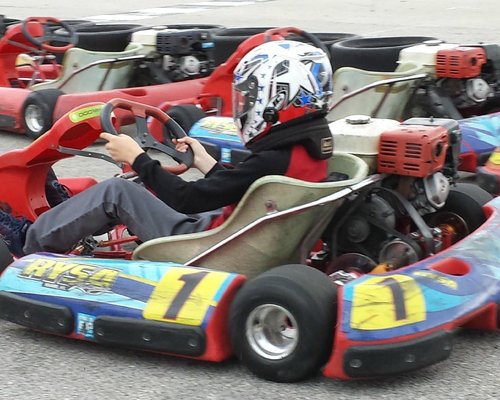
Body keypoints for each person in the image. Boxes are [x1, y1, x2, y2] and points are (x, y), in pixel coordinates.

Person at [0, 39, 335, 258]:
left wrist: (138, 157)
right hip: (240, 236)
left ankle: (29, 239)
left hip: (206, 245)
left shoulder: (275, 156)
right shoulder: (306, 149)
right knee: (145, 186)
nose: (245, 104)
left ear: (277, 99)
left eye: (250, 96)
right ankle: (64, 215)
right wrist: (205, 163)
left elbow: (186, 200)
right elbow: (248, 191)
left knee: (117, 191)